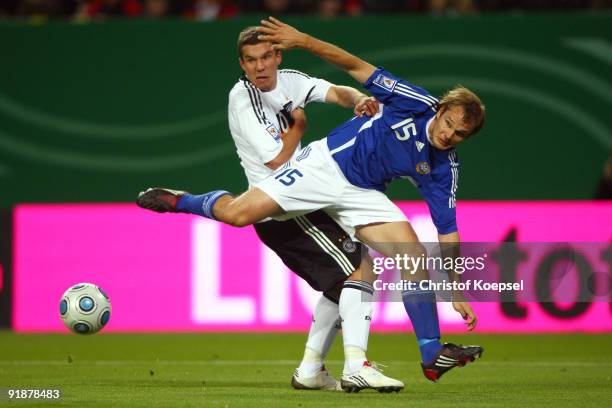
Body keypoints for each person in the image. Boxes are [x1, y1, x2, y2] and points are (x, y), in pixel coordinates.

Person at [138, 17, 484, 386]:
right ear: (442, 108)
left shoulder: (444, 166)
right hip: (325, 165)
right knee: (240, 214)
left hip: (363, 193)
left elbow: (448, 232)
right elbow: (353, 66)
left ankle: (431, 354)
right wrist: (303, 40)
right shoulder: (414, 101)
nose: (448, 135)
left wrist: (455, 288)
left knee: (411, 253)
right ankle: (182, 201)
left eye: (459, 134)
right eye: (448, 123)